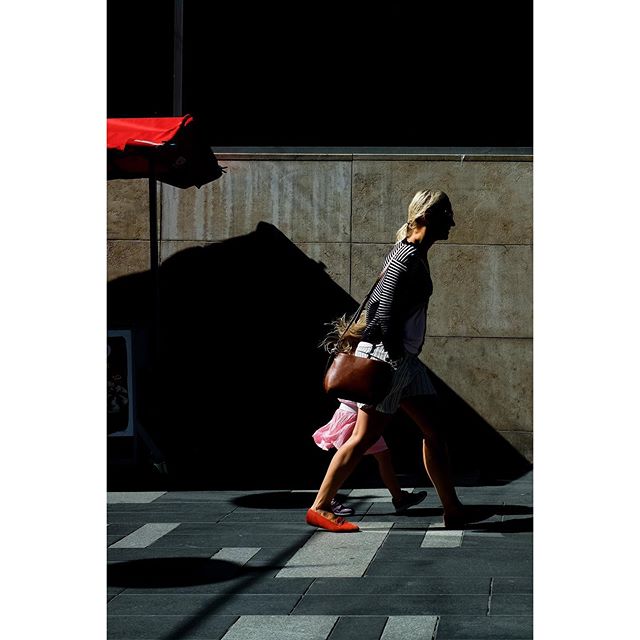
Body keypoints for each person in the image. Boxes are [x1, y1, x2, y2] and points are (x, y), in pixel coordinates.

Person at [306, 188, 466, 533]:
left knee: (435, 432)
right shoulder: (405, 257)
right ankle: (320, 507)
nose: (451, 222)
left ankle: (453, 509)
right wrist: (392, 353)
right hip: (391, 361)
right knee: (363, 438)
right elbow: (380, 310)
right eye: (445, 214)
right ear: (423, 217)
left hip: (404, 362)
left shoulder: (414, 254)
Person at [312, 397, 428, 515]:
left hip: (355, 415)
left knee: (380, 456)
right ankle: (327, 499)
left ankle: (399, 497)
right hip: (355, 417)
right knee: (349, 458)